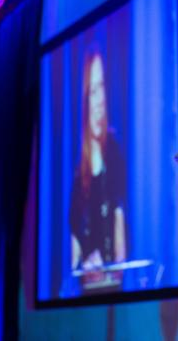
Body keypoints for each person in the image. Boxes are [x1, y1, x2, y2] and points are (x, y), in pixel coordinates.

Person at [69, 49, 128, 292]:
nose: (99, 100)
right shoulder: (73, 165)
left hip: (112, 285)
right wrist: (82, 266)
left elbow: (119, 221)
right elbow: (73, 238)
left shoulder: (114, 152)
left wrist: (114, 272)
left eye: (102, 87)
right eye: (93, 91)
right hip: (84, 291)